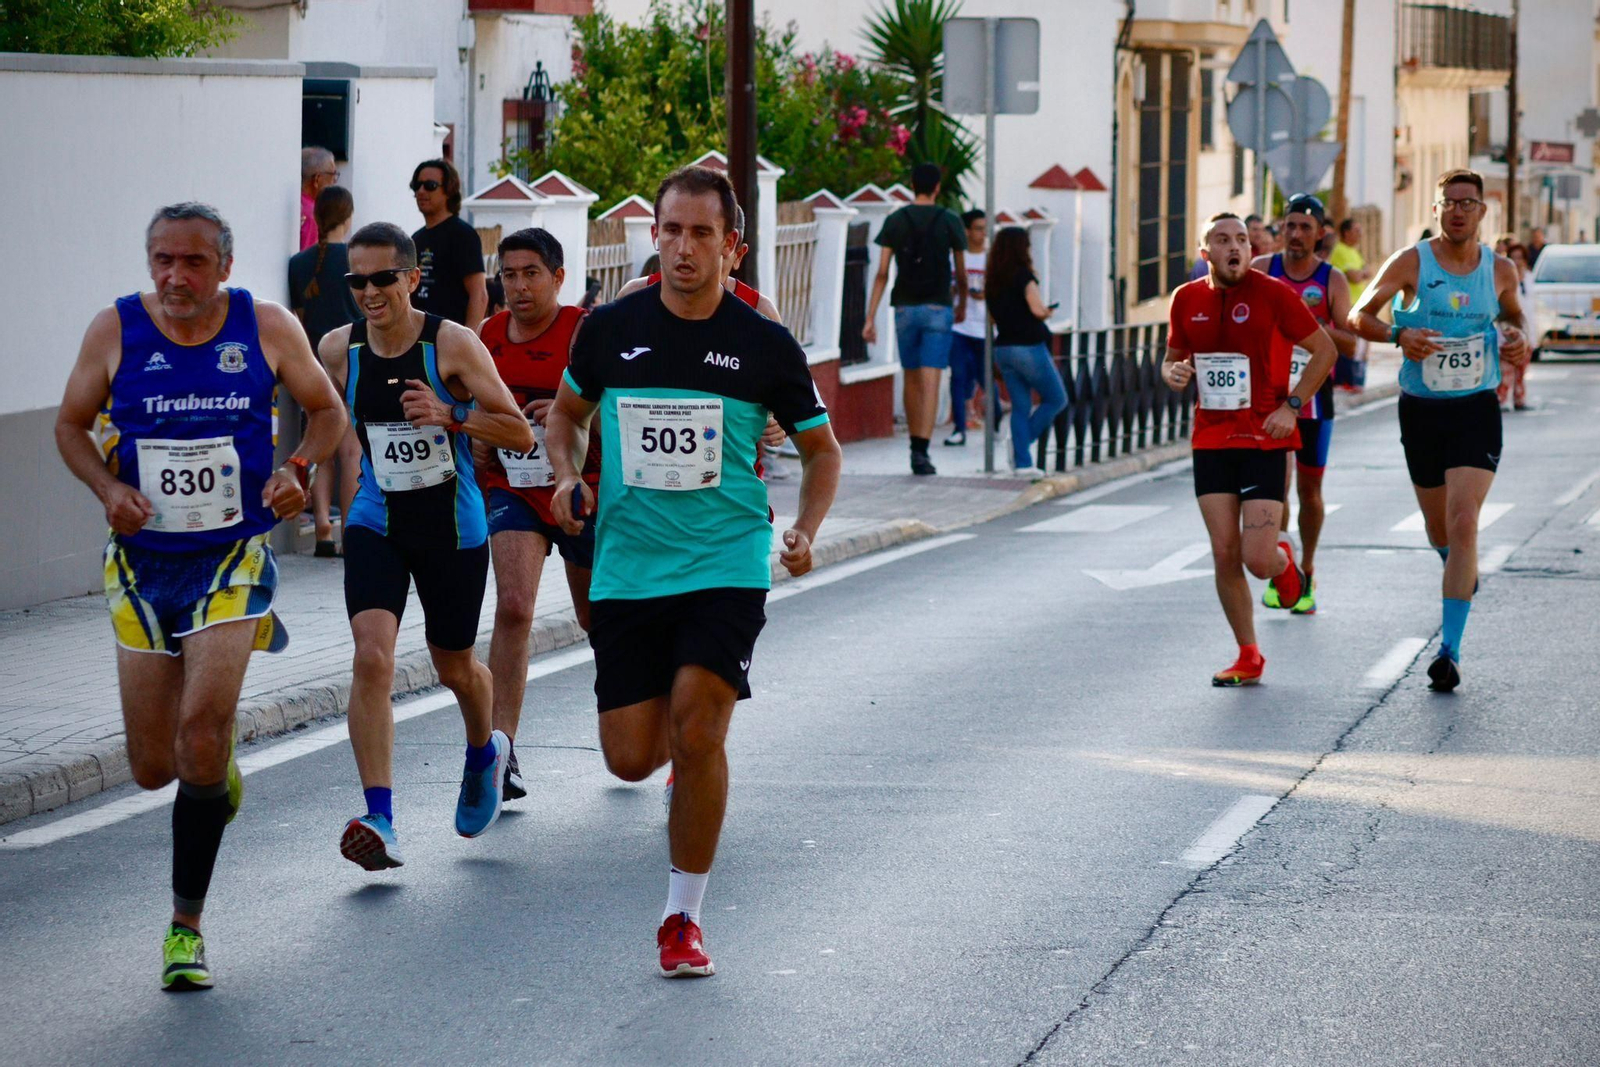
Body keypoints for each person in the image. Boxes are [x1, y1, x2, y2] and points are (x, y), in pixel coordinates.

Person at [545, 165, 842, 978]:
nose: (681, 247)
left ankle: (683, 916)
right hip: (630, 564)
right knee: (631, 759)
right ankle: (679, 760)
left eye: (700, 233)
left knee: (701, 724)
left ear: (733, 248)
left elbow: (822, 449)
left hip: (727, 559)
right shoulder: (610, 329)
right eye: (670, 230)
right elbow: (566, 415)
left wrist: (807, 530)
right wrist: (568, 474)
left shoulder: (763, 345)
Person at [55, 203, 346, 990]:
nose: (174, 276)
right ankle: (212, 777)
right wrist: (107, 485)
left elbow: (327, 409)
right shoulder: (115, 331)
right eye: (161, 260)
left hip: (233, 556)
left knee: (202, 729)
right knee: (157, 767)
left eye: (190, 262)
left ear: (223, 264)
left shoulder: (266, 325)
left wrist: (299, 470)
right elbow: (71, 426)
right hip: (143, 566)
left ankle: (185, 928)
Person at [318, 222, 534, 870]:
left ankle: (483, 752)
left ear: (412, 277)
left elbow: (520, 433)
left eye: (384, 277)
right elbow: (328, 415)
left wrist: (452, 415)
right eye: (357, 280)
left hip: (451, 527)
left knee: (456, 667)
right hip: (377, 518)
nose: (370, 291)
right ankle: (379, 816)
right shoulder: (337, 349)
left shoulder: (454, 345)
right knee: (371, 657)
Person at [1347, 169, 1532, 693]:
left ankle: (1448, 652)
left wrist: (1517, 340)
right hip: (1422, 409)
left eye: (1467, 203)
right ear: (1436, 209)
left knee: (1465, 520)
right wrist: (1398, 334)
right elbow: (1360, 315)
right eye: (1448, 203)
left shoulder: (1499, 270)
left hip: (1476, 406)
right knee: (1439, 533)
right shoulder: (1411, 261)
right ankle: (1459, 569)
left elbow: (1515, 321)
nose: (1457, 211)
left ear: (1481, 212)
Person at [1162, 212, 1336, 686]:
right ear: (1206, 254)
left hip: (1264, 437)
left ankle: (1285, 565)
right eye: (1222, 240)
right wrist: (1172, 373)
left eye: (1241, 238)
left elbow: (1325, 351)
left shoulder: (1275, 294)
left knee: (1257, 560)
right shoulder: (1186, 299)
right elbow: (1173, 359)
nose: (1234, 247)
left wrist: (1292, 406)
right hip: (1211, 439)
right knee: (1223, 553)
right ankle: (1248, 654)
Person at [475, 227, 600, 802]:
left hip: (582, 487)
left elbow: (619, 411)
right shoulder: (487, 336)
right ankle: (501, 752)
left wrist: (572, 417)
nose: (519, 287)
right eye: (509, 275)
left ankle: (630, 702)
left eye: (531, 274)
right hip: (515, 487)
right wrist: (474, 436)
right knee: (514, 607)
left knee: (595, 618)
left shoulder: (585, 333)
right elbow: (470, 409)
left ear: (558, 277)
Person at [1251, 194, 1358, 614]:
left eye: (1305, 228)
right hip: (1267, 396)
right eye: (1290, 226)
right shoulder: (1264, 270)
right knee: (1274, 487)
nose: (1295, 235)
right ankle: (1284, 569)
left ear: (1320, 234)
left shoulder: (1331, 280)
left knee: (1310, 491)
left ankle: (1307, 571)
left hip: (1313, 398)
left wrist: (1309, 326)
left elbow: (1351, 343)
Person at [862, 162, 968, 475]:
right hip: (938, 307)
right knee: (931, 377)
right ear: (938, 186)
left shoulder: (896, 220)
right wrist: (960, 302)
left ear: (912, 184)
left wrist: (870, 317)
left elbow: (882, 272)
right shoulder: (950, 221)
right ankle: (924, 449)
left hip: (905, 308)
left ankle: (913, 448)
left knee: (910, 376)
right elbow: (960, 272)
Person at [289, 185, 364, 556]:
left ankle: (321, 526)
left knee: (320, 446)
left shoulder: (299, 263)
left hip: (312, 365)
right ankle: (350, 530)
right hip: (352, 361)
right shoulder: (356, 261)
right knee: (350, 450)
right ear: (347, 218)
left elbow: (300, 322)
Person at [986, 226, 1066, 476]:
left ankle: (1022, 464)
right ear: (1022, 248)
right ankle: (1020, 446)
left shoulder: (993, 281)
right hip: (1028, 347)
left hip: (1004, 348)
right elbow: (1036, 309)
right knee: (1056, 398)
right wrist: (1048, 311)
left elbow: (990, 318)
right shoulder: (1024, 277)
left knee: (1020, 405)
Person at [410, 158, 488, 331]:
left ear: (448, 191)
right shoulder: (416, 239)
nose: (421, 191)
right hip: (419, 337)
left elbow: (479, 294)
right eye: (417, 185)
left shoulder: (463, 235)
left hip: (451, 337)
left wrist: (469, 339)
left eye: (430, 185)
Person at [945, 209, 988, 447]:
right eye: (978, 228)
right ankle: (959, 427)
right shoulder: (956, 258)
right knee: (958, 377)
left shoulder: (990, 259)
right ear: (968, 231)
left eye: (985, 228)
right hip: (959, 326)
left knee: (984, 376)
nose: (982, 233)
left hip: (983, 328)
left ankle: (995, 419)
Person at [1497, 242, 1534, 410]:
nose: (1518, 261)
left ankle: (1520, 399)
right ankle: (1502, 400)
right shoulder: (1503, 277)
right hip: (1508, 332)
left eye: (1521, 258)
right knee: (1506, 370)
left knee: (1521, 371)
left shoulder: (1529, 278)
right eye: (1514, 257)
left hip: (1527, 331)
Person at [299, 146, 338, 252]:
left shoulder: (297, 204)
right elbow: (306, 262)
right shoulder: (313, 215)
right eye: (333, 175)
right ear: (317, 179)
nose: (335, 181)